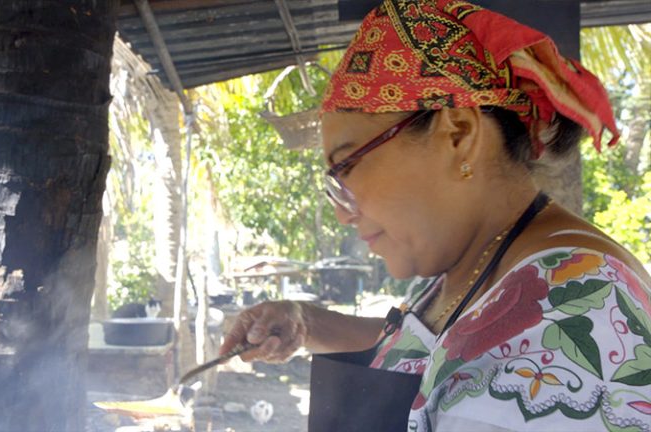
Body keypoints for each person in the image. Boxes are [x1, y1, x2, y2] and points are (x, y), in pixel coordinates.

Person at [219, 0, 651, 430]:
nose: (341, 213)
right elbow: (441, 350)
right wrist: (307, 323)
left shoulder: (574, 311)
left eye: (348, 165)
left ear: (458, 134)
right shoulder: (486, 268)